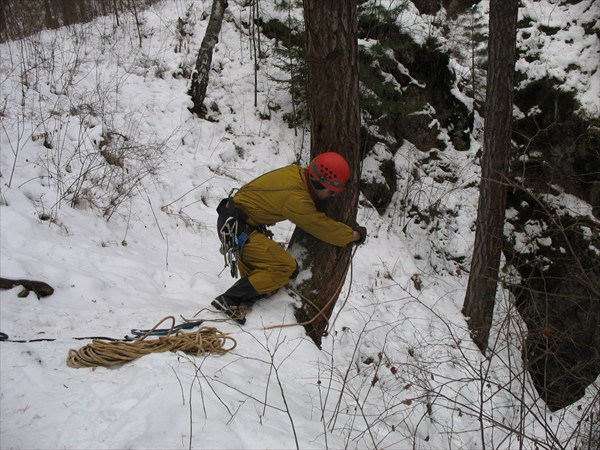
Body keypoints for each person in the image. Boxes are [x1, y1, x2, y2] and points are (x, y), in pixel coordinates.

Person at [212, 152, 367, 324]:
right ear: (319, 183)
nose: (333, 196)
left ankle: (243, 300)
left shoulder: (295, 174)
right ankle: (229, 300)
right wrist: (353, 235)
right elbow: (321, 227)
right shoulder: (296, 198)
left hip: (235, 223)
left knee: (262, 278)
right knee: (285, 268)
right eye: (331, 191)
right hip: (238, 229)